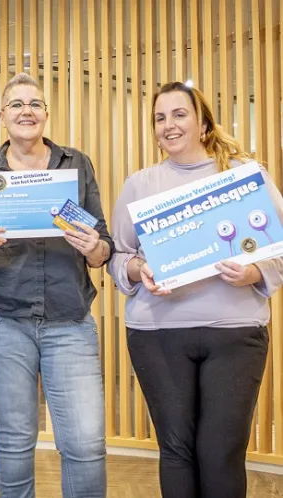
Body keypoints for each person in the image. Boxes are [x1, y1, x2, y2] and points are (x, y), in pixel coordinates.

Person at [107, 81, 283, 498]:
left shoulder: (244, 176)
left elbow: (278, 248)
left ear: (203, 123)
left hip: (235, 334)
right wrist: (139, 269)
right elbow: (117, 256)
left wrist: (253, 272)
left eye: (179, 114)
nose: (168, 124)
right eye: (160, 117)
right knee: (176, 451)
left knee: (221, 452)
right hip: (157, 335)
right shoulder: (139, 184)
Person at [0, 73, 111, 498]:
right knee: (14, 441)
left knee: (85, 444)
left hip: (69, 320)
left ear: (46, 113)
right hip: (1, 321)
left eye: (35, 103)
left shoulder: (75, 164)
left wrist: (95, 247)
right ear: (2, 115)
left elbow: (102, 247)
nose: (27, 111)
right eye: (17, 104)